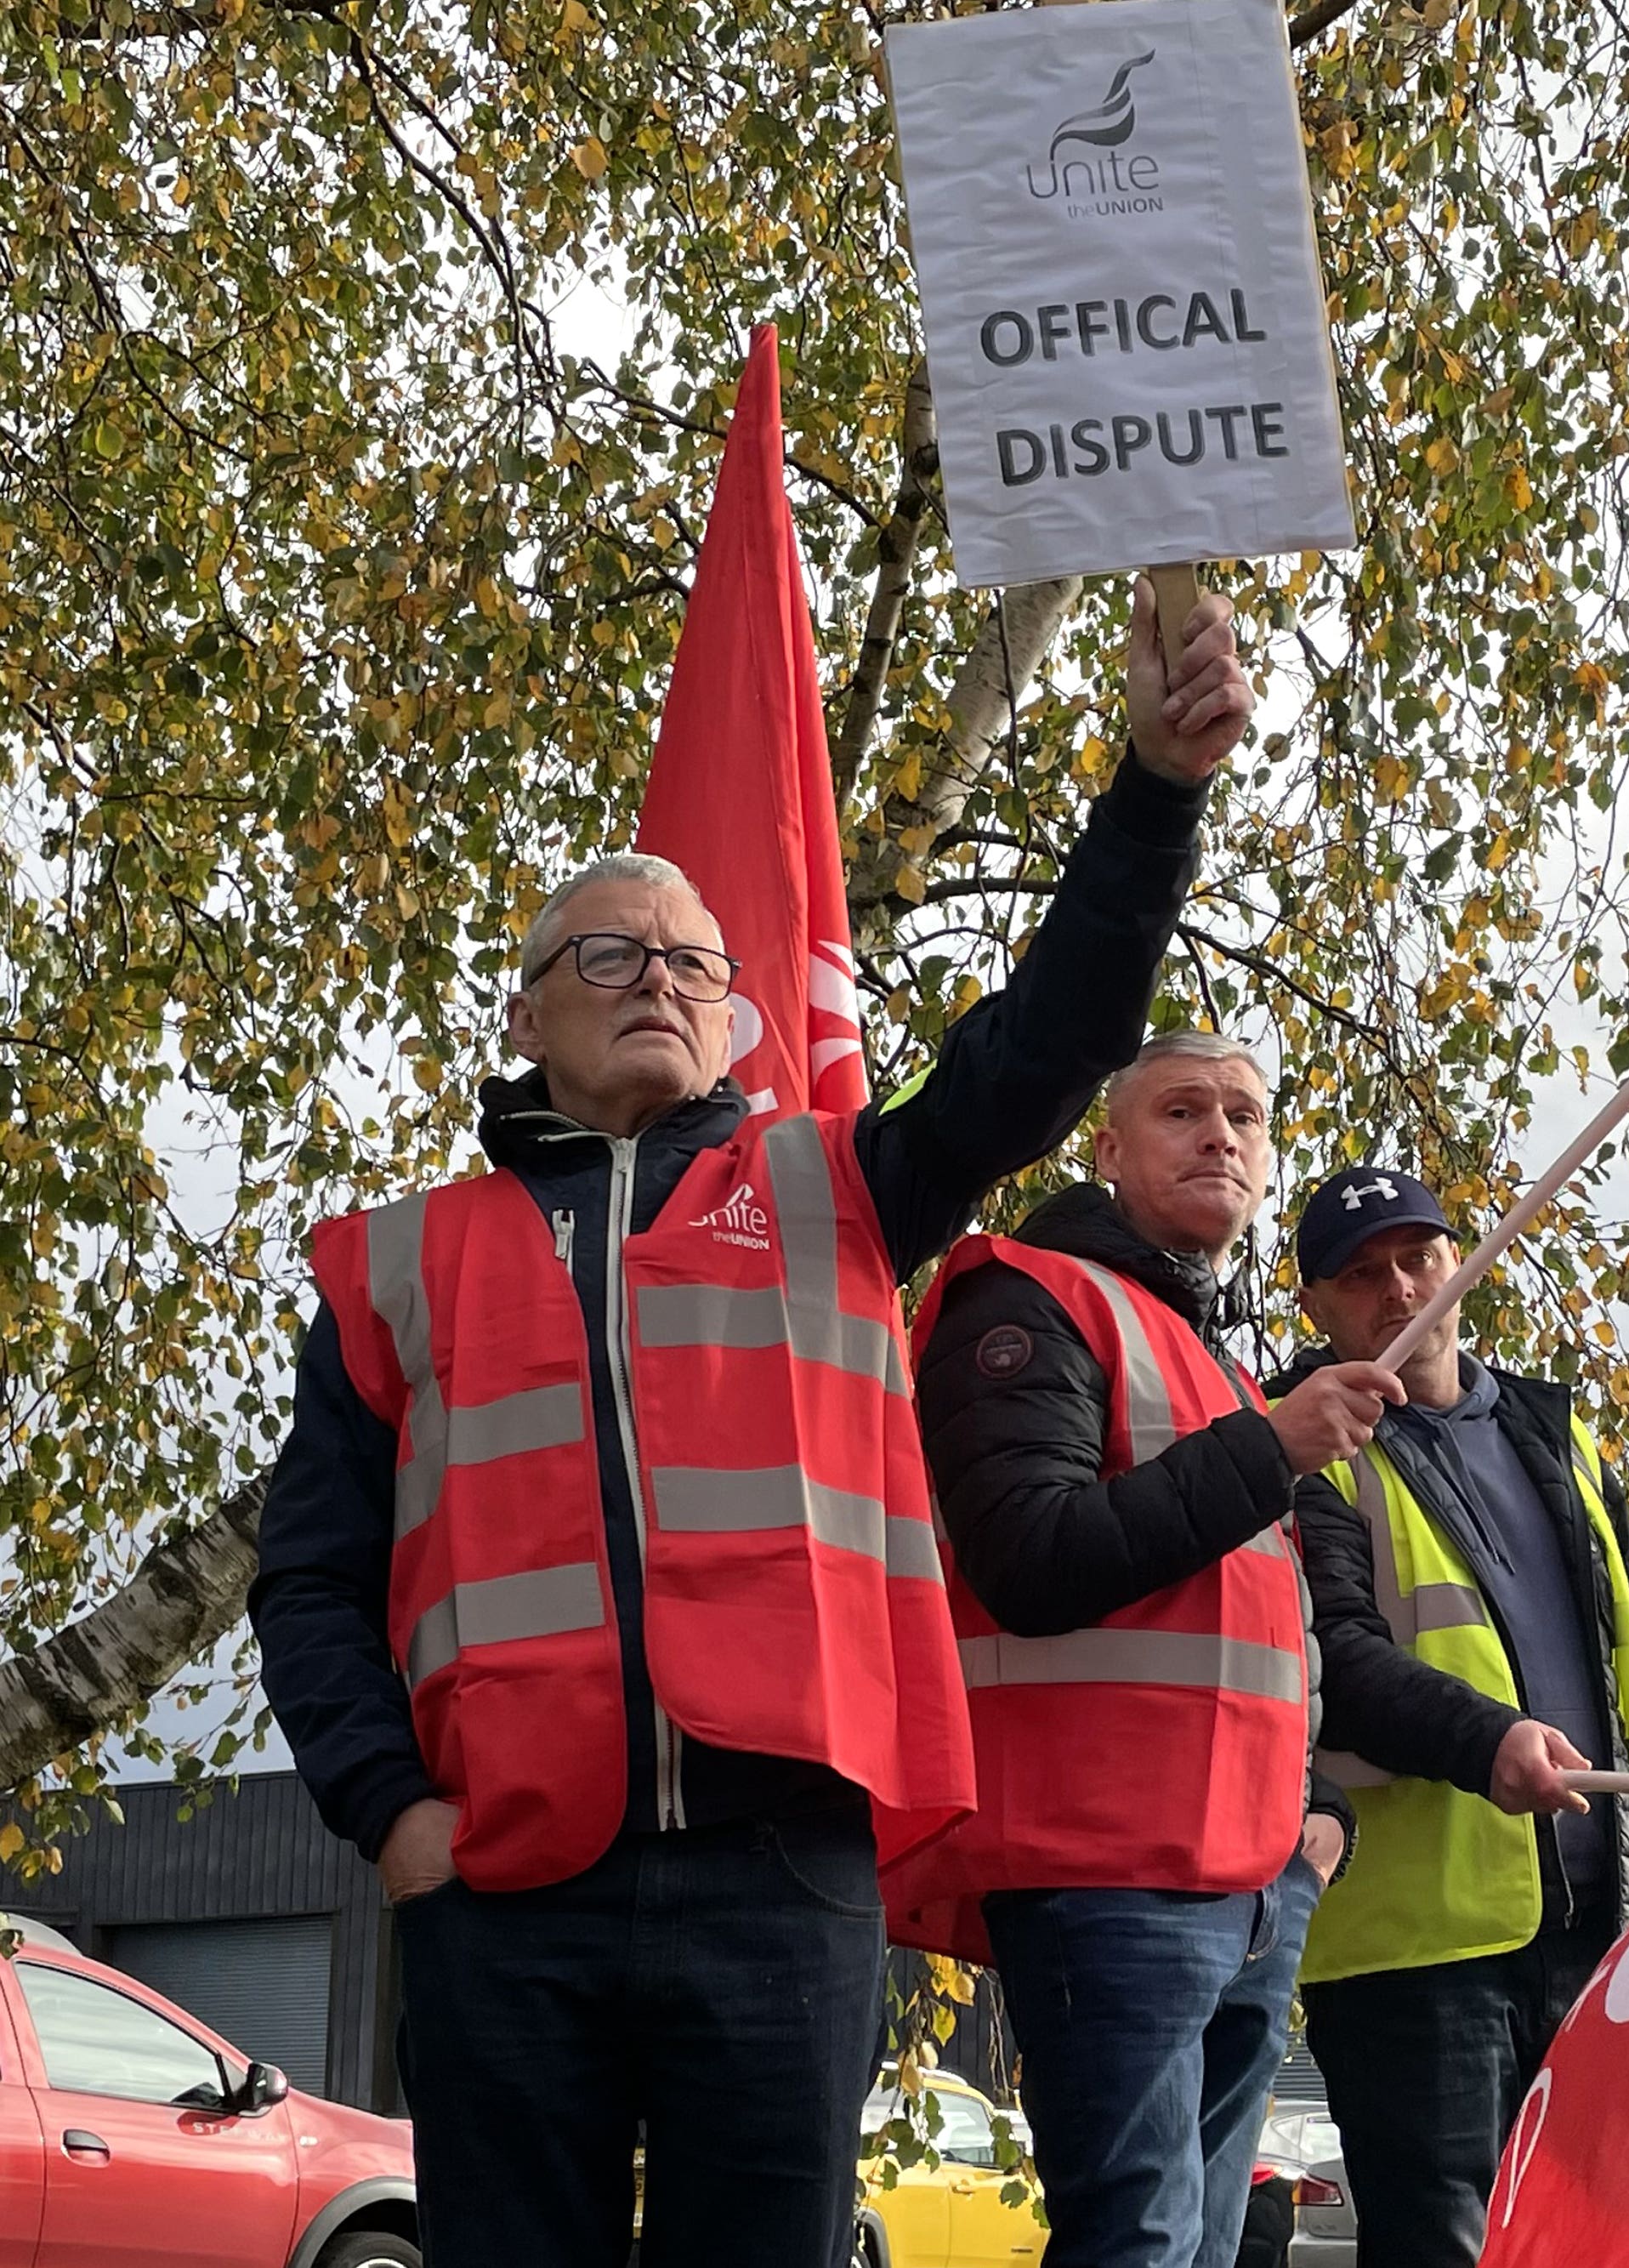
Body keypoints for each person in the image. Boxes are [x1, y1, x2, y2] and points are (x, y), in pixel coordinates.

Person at [247, 584, 1256, 2267]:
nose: (656, 978)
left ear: (734, 1013)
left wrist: (1153, 786)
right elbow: (310, 1581)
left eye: (692, 962)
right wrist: (390, 1815)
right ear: (523, 1011)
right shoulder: (401, 1264)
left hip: (780, 1875)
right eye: (610, 953)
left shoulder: (838, 1186)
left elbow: (1054, 1039)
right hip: (502, 1882)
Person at [892, 1032, 1405, 2267]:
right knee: (1142, 2238)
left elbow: (1262, 1623)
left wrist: (1313, 1804)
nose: (1220, 1133)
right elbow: (1029, 1553)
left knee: (1195, 2243)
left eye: (1245, 1112)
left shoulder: (1211, 1357)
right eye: (1182, 1110)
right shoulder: (1023, 1294)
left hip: (1248, 1864)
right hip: (1105, 1864)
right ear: (1108, 1148)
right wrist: (1270, 1448)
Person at [1281, 1163, 1629, 2268]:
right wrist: (1485, 1737)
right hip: (1415, 1951)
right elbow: (1333, 1658)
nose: (1399, 1289)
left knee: (1597, 2239)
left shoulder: (1560, 1435)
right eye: (1362, 1275)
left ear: (1460, 1264)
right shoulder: (1301, 1449)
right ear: (1316, 1307)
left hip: (1603, 1922)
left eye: (1418, 1257)